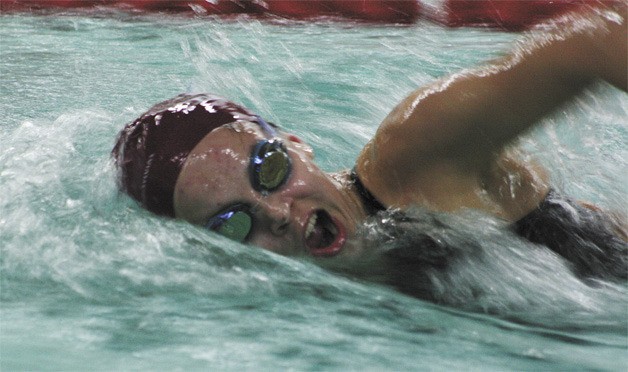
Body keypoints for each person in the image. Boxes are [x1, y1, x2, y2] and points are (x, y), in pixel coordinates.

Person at [112, 7, 627, 290]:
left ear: (295, 143)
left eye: (268, 168)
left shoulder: (417, 151)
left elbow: (593, 40)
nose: (276, 213)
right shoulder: (290, 294)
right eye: (233, 224)